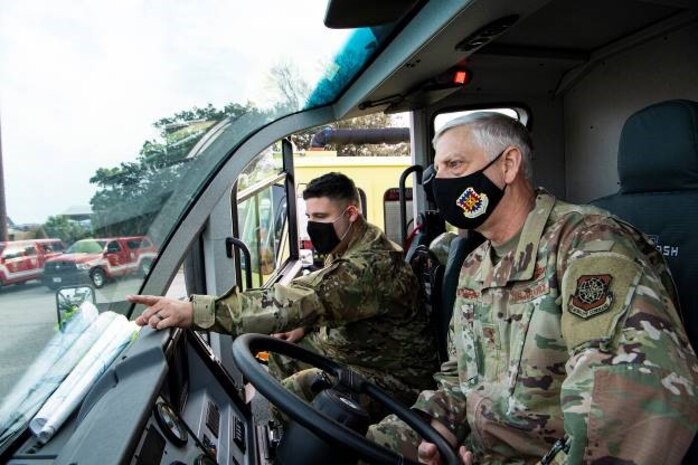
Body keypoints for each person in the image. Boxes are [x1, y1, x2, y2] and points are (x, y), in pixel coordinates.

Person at [367, 113, 698, 465]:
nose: (440, 182)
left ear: (508, 165)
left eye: (455, 164)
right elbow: (459, 379)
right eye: (438, 169)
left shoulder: (589, 245)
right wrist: (431, 433)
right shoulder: (475, 265)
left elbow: (631, 409)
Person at [128, 172, 439, 421]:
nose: (313, 225)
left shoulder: (368, 266)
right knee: (282, 347)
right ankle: (296, 432)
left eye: (320, 216)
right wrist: (306, 324)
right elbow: (325, 300)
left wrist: (193, 312)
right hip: (362, 350)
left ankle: (300, 448)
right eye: (309, 216)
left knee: (301, 387)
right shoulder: (350, 243)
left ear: (351, 213)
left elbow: (292, 300)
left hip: (398, 383)